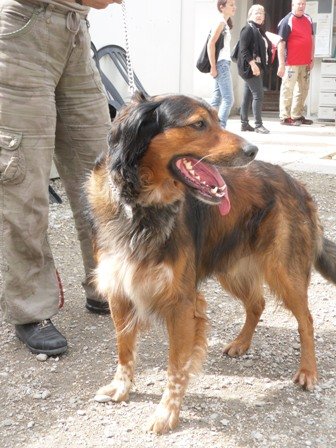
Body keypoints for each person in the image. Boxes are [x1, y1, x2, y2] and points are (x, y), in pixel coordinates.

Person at [0, 0, 122, 356]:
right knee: (22, 182)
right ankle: (31, 308)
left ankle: (104, 284)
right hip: (23, 31)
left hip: (76, 31)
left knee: (102, 172)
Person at [277, 0, 315, 126]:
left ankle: (296, 115)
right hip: (291, 63)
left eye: (304, 4)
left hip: (305, 62)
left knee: (303, 89)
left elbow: (311, 38)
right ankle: (284, 117)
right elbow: (281, 43)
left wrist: (312, 58)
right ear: (293, 5)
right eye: (299, 3)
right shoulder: (286, 20)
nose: (302, 6)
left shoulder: (308, 19)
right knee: (288, 89)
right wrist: (281, 64)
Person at [237, 4, 272, 134]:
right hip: (250, 68)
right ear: (250, 15)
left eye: (261, 13)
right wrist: (253, 65)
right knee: (258, 95)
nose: (259, 15)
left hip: (254, 67)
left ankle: (244, 124)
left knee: (247, 96)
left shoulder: (258, 30)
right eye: (256, 12)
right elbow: (243, 49)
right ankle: (258, 125)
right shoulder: (248, 29)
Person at [208, 0, 236, 129]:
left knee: (217, 97)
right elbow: (211, 43)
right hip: (221, 64)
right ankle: (220, 128)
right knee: (228, 99)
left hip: (223, 63)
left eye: (234, 4)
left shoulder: (223, 22)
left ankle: (211, 127)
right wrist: (213, 66)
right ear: (222, 7)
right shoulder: (220, 22)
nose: (234, 7)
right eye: (231, 5)